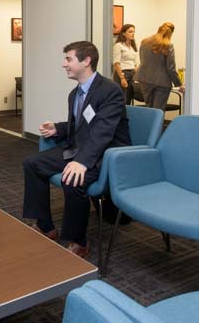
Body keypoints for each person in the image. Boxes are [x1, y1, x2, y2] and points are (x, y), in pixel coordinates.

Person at [22, 41, 131, 258]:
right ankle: (46, 226)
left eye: (69, 59)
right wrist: (58, 128)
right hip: (80, 148)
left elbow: (102, 132)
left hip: (107, 154)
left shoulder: (110, 90)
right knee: (32, 163)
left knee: (72, 178)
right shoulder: (75, 94)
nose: (64, 64)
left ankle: (78, 240)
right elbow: (80, 126)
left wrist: (81, 161)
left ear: (86, 61)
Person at [136, 22, 185, 111]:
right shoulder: (168, 45)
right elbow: (170, 68)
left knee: (148, 108)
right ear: (171, 33)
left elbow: (142, 60)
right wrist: (179, 84)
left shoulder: (144, 42)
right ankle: (157, 125)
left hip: (144, 79)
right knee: (158, 110)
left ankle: (149, 125)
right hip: (162, 82)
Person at [112, 24, 139, 105]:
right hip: (123, 73)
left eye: (134, 32)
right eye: (130, 32)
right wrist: (122, 78)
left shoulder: (132, 47)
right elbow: (116, 63)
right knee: (122, 99)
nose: (133, 34)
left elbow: (134, 64)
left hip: (132, 74)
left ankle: (127, 117)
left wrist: (138, 76)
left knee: (129, 99)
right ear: (123, 33)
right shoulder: (118, 45)